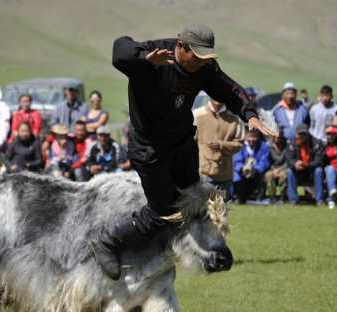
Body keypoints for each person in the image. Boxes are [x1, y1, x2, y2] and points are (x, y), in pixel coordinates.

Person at [89, 23, 275, 281]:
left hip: (182, 144)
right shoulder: (155, 54)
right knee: (162, 212)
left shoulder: (204, 67)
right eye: (196, 57)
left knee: (195, 199)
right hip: (149, 150)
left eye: (205, 58)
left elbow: (228, 88)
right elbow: (120, 49)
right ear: (181, 47)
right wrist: (144, 58)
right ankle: (107, 241)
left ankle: (197, 249)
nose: (201, 63)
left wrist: (250, 115)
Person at [194, 97, 245, 202]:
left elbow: (239, 144)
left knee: (222, 211)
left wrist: (221, 145)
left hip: (225, 174)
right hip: (203, 173)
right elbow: (189, 141)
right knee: (203, 211)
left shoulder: (235, 117)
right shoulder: (197, 115)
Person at [285, 124, 325, 206]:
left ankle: (319, 200)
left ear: (308, 134)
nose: (302, 136)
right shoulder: (292, 144)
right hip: (299, 172)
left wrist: (306, 164)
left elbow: (319, 161)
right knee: (289, 171)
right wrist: (295, 164)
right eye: (300, 134)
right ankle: (293, 200)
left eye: (304, 134)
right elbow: (289, 160)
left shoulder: (317, 143)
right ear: (296, 134)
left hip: (312, 172)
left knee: (319, 170)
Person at [233, 129, 270, 204]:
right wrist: (242, 168)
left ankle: (260, 198)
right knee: (235, 176)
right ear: (245, 137)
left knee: (265, 176)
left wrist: (256, 170)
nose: (252, 139)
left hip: (257, 171)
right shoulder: (240, 145)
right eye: (250, 136)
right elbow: (236, 160)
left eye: (254, 137)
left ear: (258, 137)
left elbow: (265, 161)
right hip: (242, 171)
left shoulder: (263, 146)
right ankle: (237, 197)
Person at [265, 129, 289, 204]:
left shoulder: (288, 144)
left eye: (279, 134)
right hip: (271, 168)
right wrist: (273, 169)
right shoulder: (268, 145)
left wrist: (280, 169)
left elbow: (288, 160)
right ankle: (272, 198)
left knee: (283, 175)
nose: (277, 136)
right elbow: (267, 160)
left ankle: (282, 198)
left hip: (284, 167)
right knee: (268, 175)